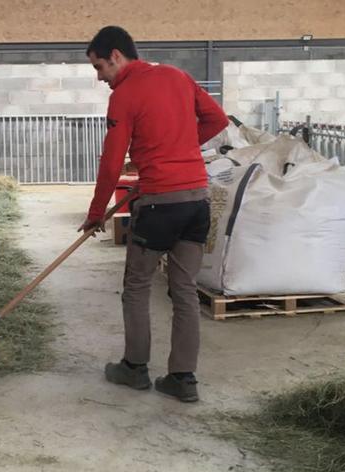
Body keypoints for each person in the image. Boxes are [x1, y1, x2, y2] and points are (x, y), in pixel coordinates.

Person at [79, 26, 229, 402]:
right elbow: (217, 120)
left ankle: (134, 368)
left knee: (137, 286)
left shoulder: (125, 94)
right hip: (196, 200)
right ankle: (183, 378)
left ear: (115, 55)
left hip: (160, 203)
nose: (99, 77)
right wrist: (176, 149)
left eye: (99, 67)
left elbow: (112, 160)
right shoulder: (177, 76)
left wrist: (97, 212)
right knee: (184, 291)